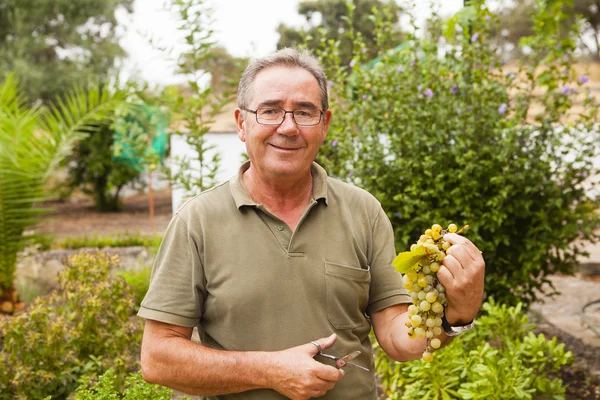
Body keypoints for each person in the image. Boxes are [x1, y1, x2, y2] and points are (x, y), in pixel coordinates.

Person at [138, 47, 485, 400]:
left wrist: (458, 312)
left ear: (324, 124)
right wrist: (269, 371)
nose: (288, 127)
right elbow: (158, 358)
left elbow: (399, 340)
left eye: (304, 112)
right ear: (242, 124)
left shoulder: (363, 211)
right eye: (270, 110)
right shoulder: (197, 221)